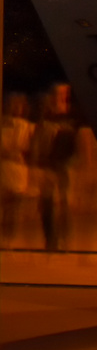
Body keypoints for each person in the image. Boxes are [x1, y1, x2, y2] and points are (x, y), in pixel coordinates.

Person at [33, 84, 77, 251]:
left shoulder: (69, 118)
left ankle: (63, 240)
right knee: (47, 204)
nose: (63, 96)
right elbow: (38, 141)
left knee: (64, 204)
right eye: (60, 93)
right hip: (48, 166)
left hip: (63, 166)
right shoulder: (46, 119)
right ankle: (51, 240)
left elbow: (74, 143)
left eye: (65, 93)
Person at [1, 93, 35, 246]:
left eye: (19, 105)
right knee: (6, 205)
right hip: (6, 167)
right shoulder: (5, 124)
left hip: (18, 168)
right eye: (14, 105)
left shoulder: (25, 125)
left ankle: (9, 240)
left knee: (15, 207)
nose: (17, 108)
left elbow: (26, 146)